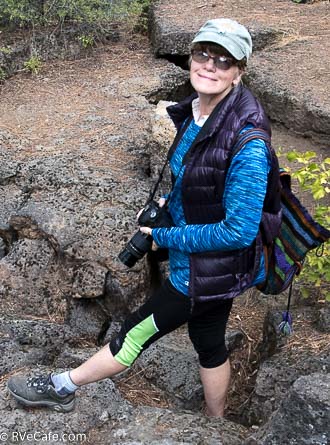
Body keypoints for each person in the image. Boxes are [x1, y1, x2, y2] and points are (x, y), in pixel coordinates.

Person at [7, 18, 281, 417]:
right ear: (191, 57)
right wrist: (167, 204)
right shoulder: (199, 112)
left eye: (223, 60)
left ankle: (61, 387)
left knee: (134, 333)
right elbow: (195, 177)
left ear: (240, 71)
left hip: (204, 272)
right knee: (208, 339)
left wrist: (165, 236)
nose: (209, 65)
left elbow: (238, 231)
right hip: (212, 268)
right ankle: (216, 422)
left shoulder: (248, 144)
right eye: (203, 53)